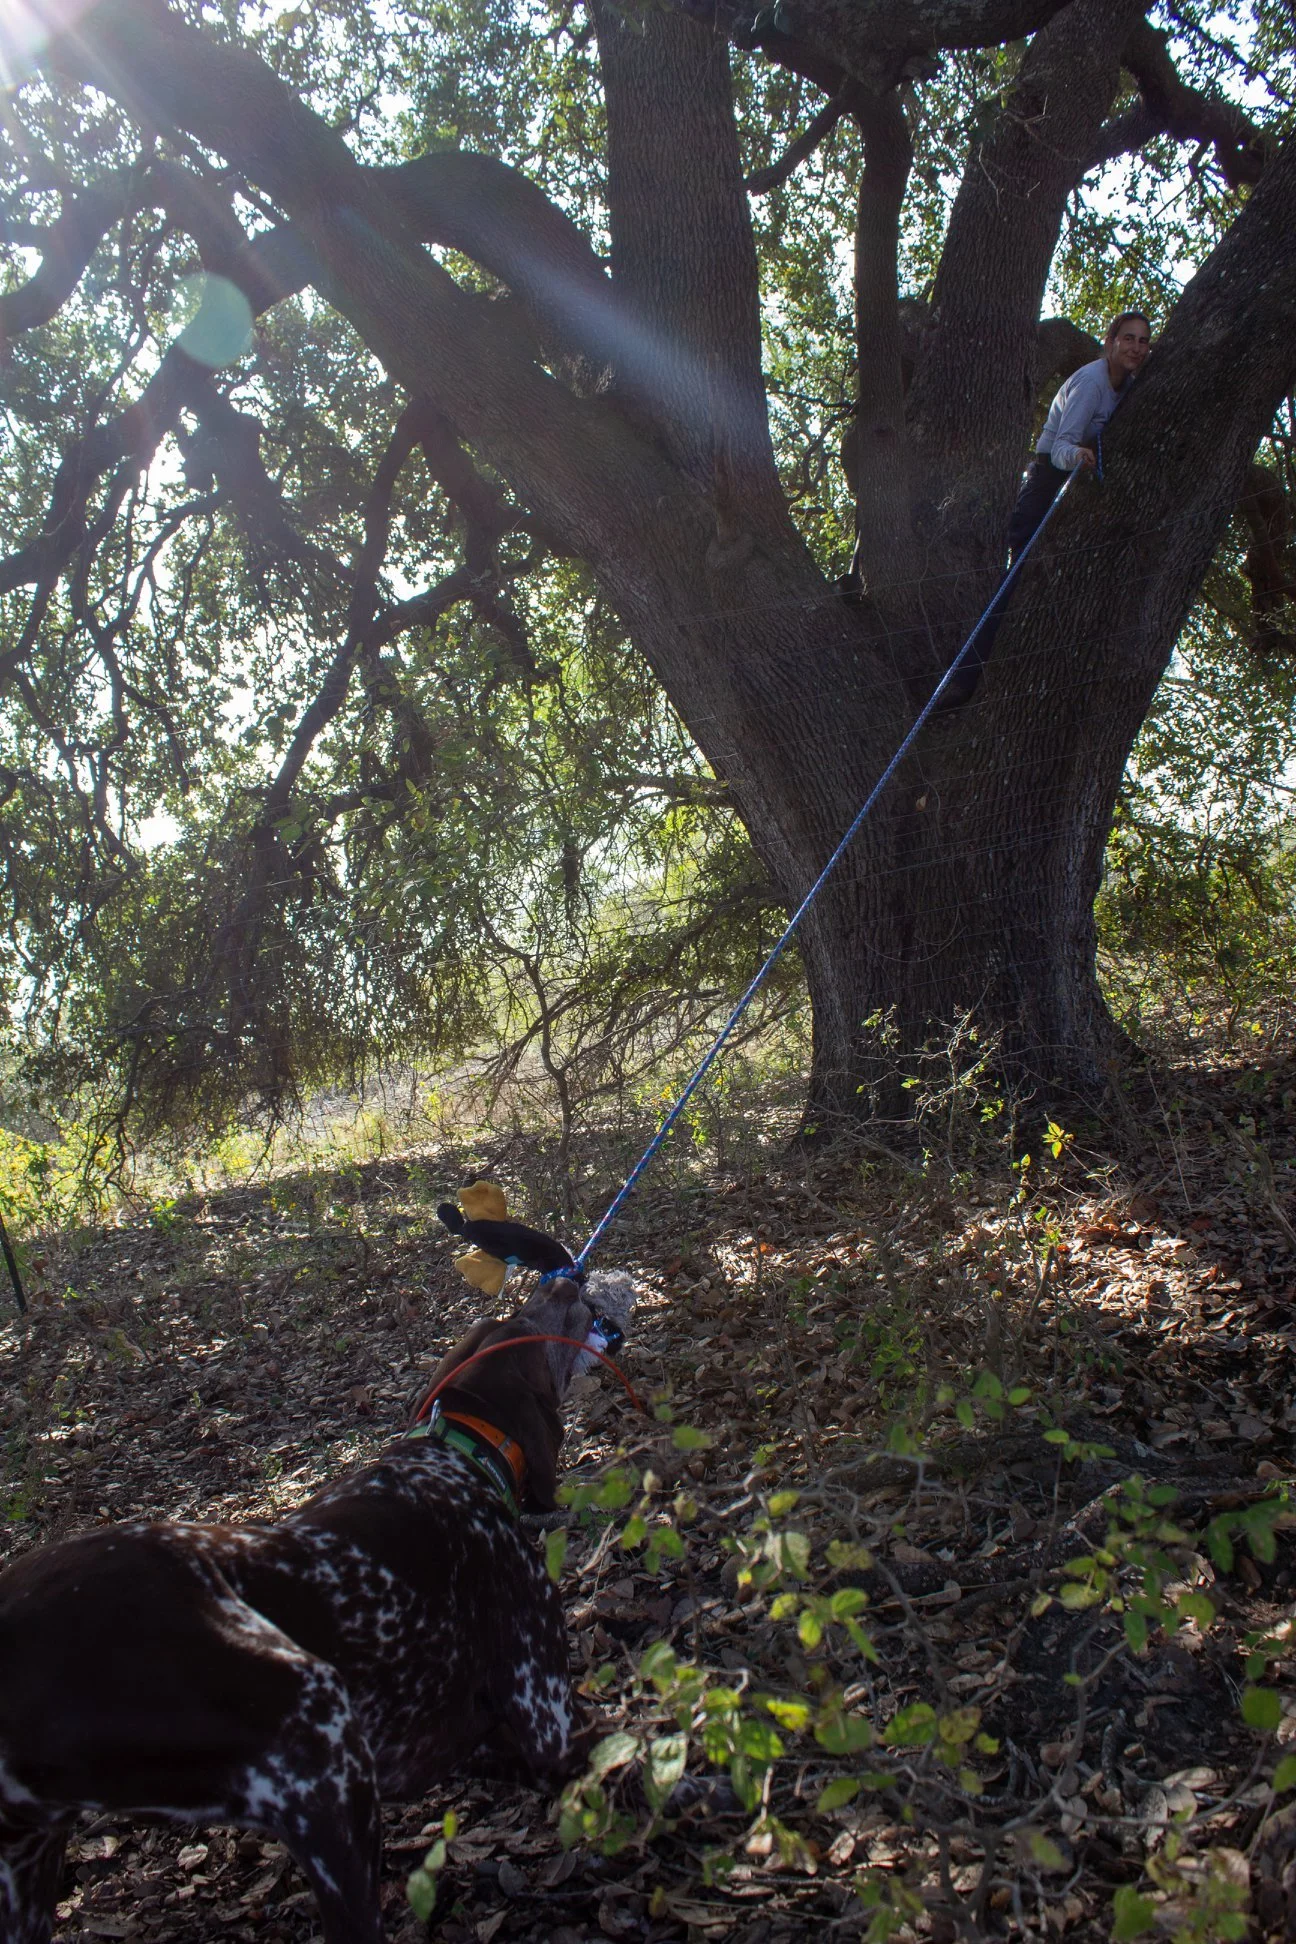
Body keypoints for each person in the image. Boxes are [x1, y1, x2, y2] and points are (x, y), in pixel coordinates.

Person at [937, 310, 1152, 708]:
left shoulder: (1130, 386)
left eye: (1143, 341)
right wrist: (1082, 456)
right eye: (1128, 338)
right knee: (1015, 583)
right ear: (1110, 342)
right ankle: (964, 681)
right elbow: (1059, 449)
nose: (1136, 348)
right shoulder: (1091, 383)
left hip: (1070, 482)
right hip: (1046, 482)